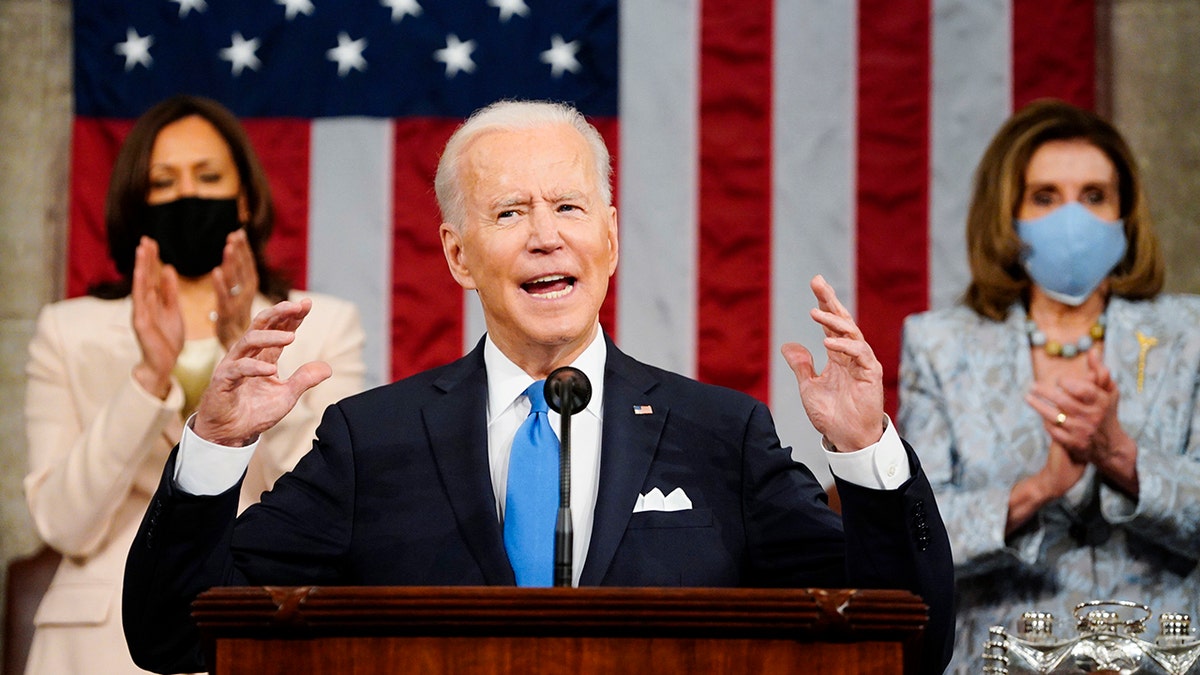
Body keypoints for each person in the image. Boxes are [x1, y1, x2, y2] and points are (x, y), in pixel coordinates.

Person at [122, 99, 955, 675]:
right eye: (511, 213)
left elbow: (905, 642)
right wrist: (215, 447)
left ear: (612, 236)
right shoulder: (371, 441)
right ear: (458, 256)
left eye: (569, 206)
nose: (547, 237)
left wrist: (866, 453)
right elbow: (171, 632)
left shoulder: (720, 434)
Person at [22, 95, 366, 675]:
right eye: (164, 181)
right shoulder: (68, 329)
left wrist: (252, 353)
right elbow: (63, 524)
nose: (189, 195)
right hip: (97, 646)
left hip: (266, 624)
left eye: (208, 177)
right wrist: (147, 379)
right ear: (138, 202)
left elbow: (334, 505)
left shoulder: (324, 324)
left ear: (246, 197)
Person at [899, 99, 1200, 672]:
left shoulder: (1190, 336)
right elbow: (915, 546)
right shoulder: (939, 344)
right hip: (1000, 659)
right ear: (1005, 213)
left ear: (1124, 213)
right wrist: (1035, 490)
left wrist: (1124, 460)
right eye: (1045, 197)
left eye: (1094, 196)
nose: (1074, 219)